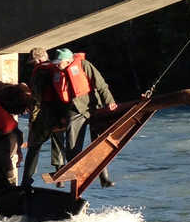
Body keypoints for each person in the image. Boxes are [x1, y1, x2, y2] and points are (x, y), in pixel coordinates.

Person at [52, 48, 118, 188]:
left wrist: (109, 101)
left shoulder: (83, 65)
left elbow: (100, 83)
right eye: (55, 62)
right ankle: (75, 181)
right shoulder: (57, 73)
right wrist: (61, 116)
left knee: (100, 142)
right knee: (72, 145)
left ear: (68, 60)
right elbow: (58, 98)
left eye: (59, 62)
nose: (57, 65)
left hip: (93, 107)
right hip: (74, 110)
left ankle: (104, 178)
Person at [21, 47, 65, 187]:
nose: (33, 64)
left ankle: (27, 181)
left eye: (33, 62)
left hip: (45, 112)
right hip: (60, 112)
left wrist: (32, 119)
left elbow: (37, 98)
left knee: (34, 146)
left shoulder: (39, 71)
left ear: (38, 59)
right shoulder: (56, 67)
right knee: (58, 143)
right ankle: (60, 177)